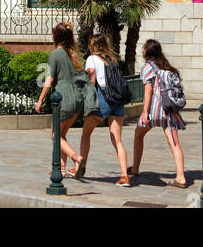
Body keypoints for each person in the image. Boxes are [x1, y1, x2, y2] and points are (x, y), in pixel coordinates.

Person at [34, 23, 97, 175]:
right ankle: (61, 169)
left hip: (64, 99)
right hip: (78, 99)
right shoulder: (73, 54)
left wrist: (40, 99)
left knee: (54, 135)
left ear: (56, 36)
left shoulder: (55, 54)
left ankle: (76, 158)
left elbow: (49, 80)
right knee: (61, 135)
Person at [130, 39, 187, 188]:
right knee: (174, 142)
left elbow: (148, 90)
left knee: (138, 134)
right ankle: (180, 176)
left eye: (143, 48)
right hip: (168, 110)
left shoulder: (147, 67)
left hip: (155, 110)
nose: (141, 51)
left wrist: (144, 112)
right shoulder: (166, 67)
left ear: (146, 52)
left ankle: (135, 168)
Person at [77, 33, 130, 185]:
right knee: (117, 140)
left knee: (86, 134)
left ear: (92, 45)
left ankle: (82, 166)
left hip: (103, 99)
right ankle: (125, 175)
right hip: (117, 102)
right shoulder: (111, 60)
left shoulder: (91, 59)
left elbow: (92, 80)